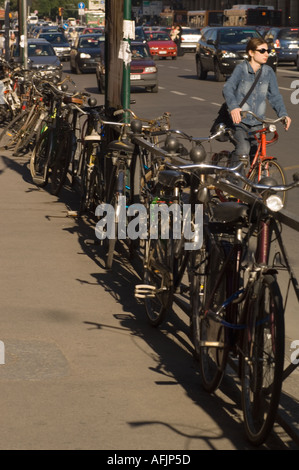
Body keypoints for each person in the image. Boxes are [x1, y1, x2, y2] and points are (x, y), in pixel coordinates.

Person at [223, 37, 291, 169]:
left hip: (258, 123)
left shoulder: (268, 72)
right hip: (239, 122)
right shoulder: (241, 69)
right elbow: (228, 88)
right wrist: (234, 107)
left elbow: (275, 96)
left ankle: (257, 188)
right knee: (243, 149)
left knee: (258, 157)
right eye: (262, 51)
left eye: (268, 51)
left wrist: (283, 114)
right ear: (251, 53)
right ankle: (234, 186)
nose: (267, 54)